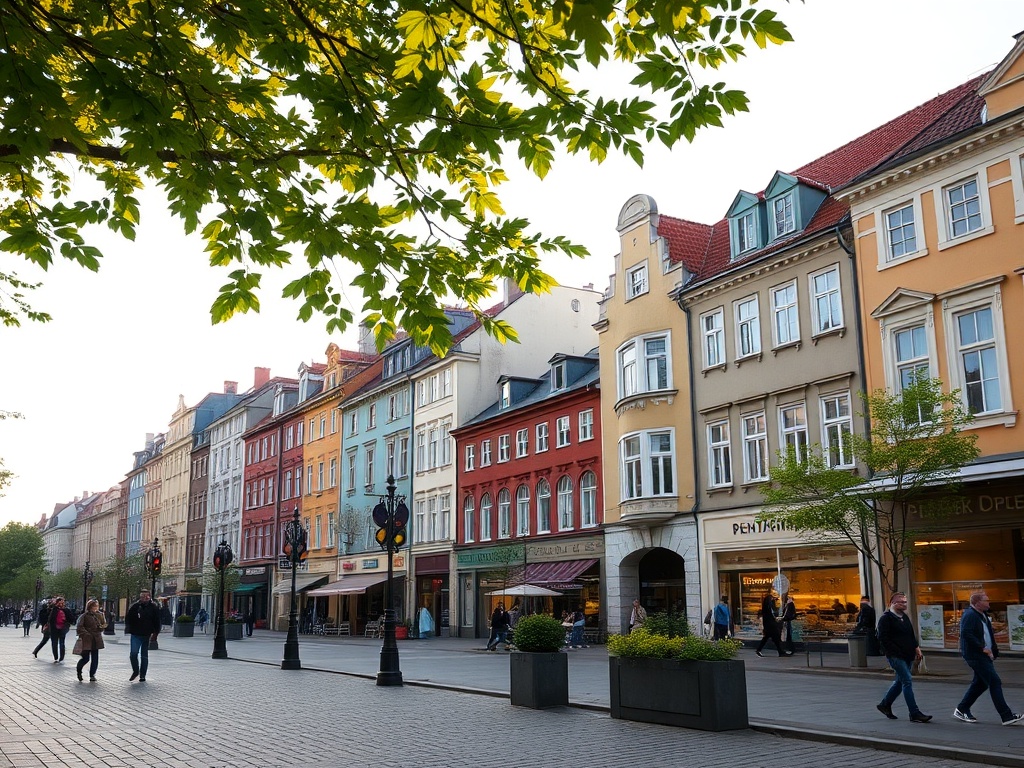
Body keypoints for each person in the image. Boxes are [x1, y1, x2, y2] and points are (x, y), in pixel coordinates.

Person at [953, 591, 1024, 725]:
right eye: (986, 600)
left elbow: (988, 634)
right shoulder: (970, 615)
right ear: (977, 603)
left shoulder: (982, 614)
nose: (988, 602)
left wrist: (994, 650)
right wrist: (982, 648)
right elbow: (966, 633)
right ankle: (1007, 716)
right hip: (975, 655)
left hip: (983, 654)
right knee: (994, 682)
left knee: (981, 683)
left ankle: (962, 709)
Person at [876, 592, 931, 723]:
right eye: (901, 602)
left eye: (905, 602)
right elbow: (883, 639)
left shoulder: (904, 617)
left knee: (900, 682)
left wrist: (916, 648)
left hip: (908, 654)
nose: (904, 604)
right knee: (907, 680)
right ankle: (914, 712)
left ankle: (885, 704)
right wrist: (894, 651)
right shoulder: (886, 619)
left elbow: (910, 635)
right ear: (892, 603)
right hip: (895, 656)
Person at [124, 589, 161, 682]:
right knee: (133, 654)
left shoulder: (153, 607)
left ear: (149, 597)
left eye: (146, 596)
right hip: (136, 634)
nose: (144, 598)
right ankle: (136, 671)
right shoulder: (135, 606)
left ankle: (142, 675)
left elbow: (157, 621)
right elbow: (128, 618)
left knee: (144, 655)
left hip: (147, 634)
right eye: (142, 596)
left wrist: (155, 633)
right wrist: (129, 627)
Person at [75, 598, 105, 682]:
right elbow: (79, 627)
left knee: (95, 658)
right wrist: (86, 633)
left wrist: (101, 627)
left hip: (96, 638)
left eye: (97, 606)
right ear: (90, 607)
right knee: (86, 658)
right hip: (87, 639)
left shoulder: (99, 615)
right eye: (94, 606)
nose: (96, 608)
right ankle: (79, 671)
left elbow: (102, 625)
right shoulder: (85, 616)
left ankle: (92, 675)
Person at [755, 590, 791, 657]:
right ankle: (780, 652)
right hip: (771, 624)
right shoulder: (769, 601)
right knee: (774, 637)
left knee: (770, 637)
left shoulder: (767, 601)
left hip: (769, 624)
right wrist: (776, 618)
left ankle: (779, 651)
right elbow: (772, 611)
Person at [47, 596, 74, 663]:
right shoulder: (65, 610)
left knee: (55, 643)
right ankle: (60, 657)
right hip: (61, 628)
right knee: (61, 643)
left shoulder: (54, 609)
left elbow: (50, 619)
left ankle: (56, 657)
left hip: (55, 629)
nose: (61, 604)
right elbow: (71, 619)